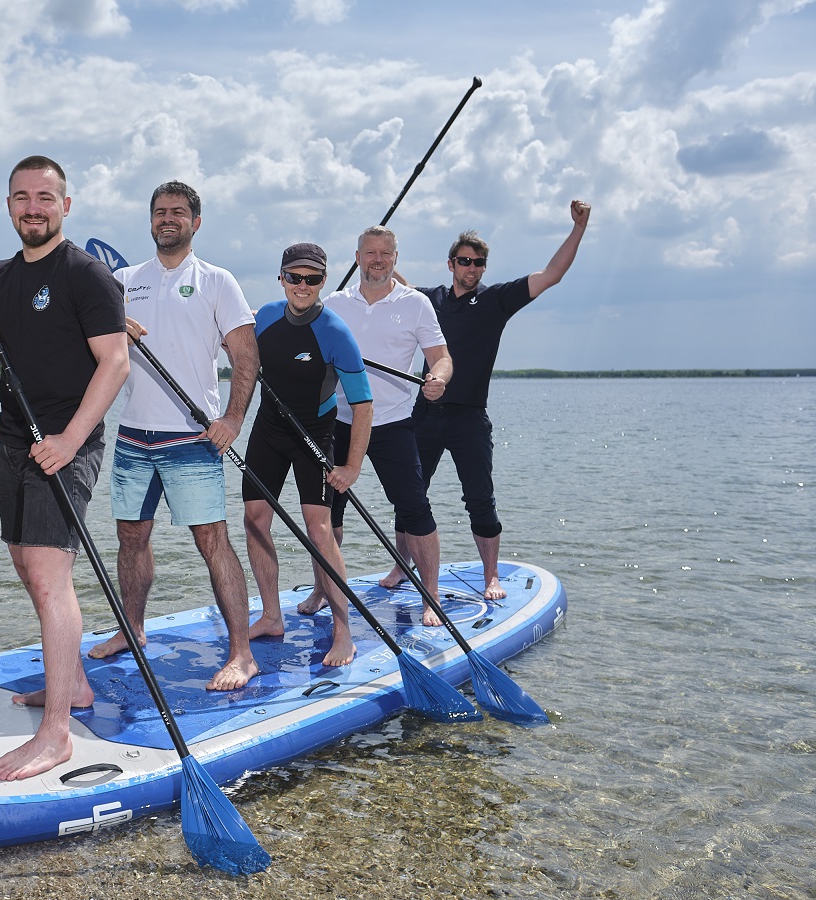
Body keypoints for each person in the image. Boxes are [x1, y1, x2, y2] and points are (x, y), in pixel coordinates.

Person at [0, 155, 128, 781]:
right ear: (9, 207)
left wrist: (73, 438)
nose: (33, 208)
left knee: (51, 576)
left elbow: (116, 363)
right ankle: (72, 686)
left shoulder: (87, 275)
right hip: (12, 435)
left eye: (45, 198)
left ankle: (56, 735)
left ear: (65, 206)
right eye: (22, 197)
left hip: (67, 441)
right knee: (24, 561)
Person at [87, 181, 260, 690]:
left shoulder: (217, 281)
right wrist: (116, 321)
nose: (168, 219)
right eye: (160, 211)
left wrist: (231, 419)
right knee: (131, 537)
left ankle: (242, 653)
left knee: (213, 542)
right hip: (134, 436)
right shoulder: (122, 281)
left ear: (195, 222)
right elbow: (87, 338)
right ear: (150, 220)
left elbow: (245, 356)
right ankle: (133, 629)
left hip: (192, 436)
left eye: (178, 212)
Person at [407, 200, 592, 599]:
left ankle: (490, 575)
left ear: (483, 268)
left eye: (477, 263)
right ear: (450, 263)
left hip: (469, 418)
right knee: (410, 493)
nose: (470, 268)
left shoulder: (495, 301)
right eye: (464, 261)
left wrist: (579, 228)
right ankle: (400, 564)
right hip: (424, 414)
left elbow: (552, 275)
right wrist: (375, 258)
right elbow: (391, 285)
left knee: (479, 498)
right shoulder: (428, 300)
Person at [295, 226, 453, 625]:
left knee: (415, 509)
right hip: (338, 423)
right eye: (370, 252)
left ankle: (430, 593)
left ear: (395, 258)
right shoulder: (333, 303)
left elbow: (441, 357)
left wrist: (438, 378)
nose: (378, 259)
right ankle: (322, 589)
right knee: (327, 514)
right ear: (357, 257)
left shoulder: (415, 304)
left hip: (392, 423)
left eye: (386, 252)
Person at [243, 243, 372, 667]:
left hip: (314, 435)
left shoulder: (335, 333)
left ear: (323, 282)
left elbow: (363, 405)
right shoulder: (262, 318)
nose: (302, 286)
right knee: (255, 517)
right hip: (269, 428)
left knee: (319, 530)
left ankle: (343, 631)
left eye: (312, 279)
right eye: (294, 277)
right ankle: (271, 616)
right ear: (281, 278)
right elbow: (232, 354)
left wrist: (351, 467)